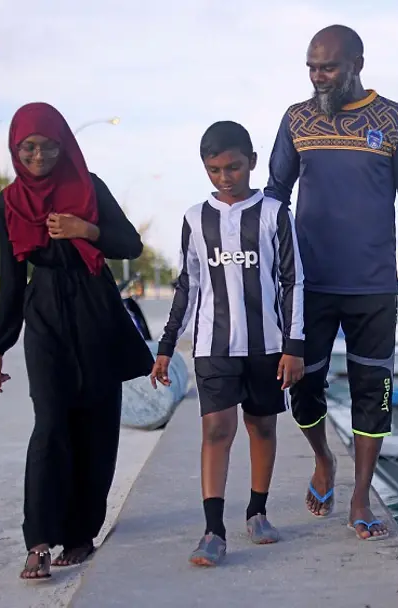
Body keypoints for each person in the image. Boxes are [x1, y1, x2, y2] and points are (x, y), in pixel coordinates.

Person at [265, 24, 398, 541]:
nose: (319, 77)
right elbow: (276, 193)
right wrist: (265, 265)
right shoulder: (297, 119)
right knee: (303, 387)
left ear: (357, 63)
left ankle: (361, 496)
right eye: (312, 68)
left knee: (374, 392)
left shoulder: (395, 120)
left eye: (329, 67)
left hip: (372, 286)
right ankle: (323, 460)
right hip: (309, 285)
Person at [0, 102, 153, 581]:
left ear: (64, 144)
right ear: (16, 149)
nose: (38, 155)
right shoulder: (9, 202)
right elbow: (10, 277)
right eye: (28, 147)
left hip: (95, 311)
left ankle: (80, 535)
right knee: (51, 423)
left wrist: (86, 229)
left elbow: (129, 245)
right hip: (45, 318)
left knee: (97, 425)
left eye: (48, 145)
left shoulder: (88, 187)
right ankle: (37, 539)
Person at [151, 121, 305, 567]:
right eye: (214, 169)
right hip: (213, 347)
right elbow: (188, 284)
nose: (225, 177)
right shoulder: (195, 219)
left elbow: (294, 280)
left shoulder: (276, 214)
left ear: (252, 162)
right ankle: (213, 532)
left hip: (267, 345)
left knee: (262, 426)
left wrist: (294, 346)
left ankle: (257, 512)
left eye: (233, 167)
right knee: (216, 428)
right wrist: (165, 346)